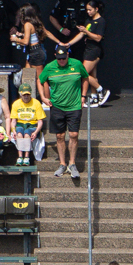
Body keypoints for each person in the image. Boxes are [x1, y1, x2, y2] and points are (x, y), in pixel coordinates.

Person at [37, 43, 88, 180]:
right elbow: (40, 80)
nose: (61, 61)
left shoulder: (77, 64)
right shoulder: (50, 67)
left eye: (63, 58)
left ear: (67, 55)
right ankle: (62, 163)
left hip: (74, 105)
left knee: (73, 134)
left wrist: (83, 96)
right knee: (60, 136)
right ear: (55, 56)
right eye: (59, 58)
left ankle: (72, 163)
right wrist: (43, 97)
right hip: (57, 106)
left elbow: (85, 78)